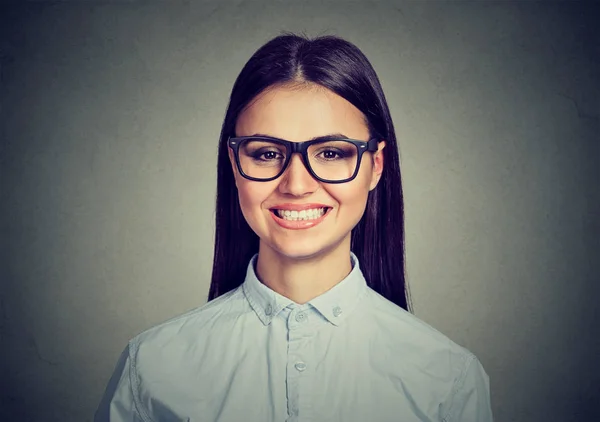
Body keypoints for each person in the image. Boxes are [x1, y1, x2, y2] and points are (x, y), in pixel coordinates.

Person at [95, 32, 493, 422]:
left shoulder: (448, 380)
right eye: (267, 153)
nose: (297, 185)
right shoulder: (150, 369)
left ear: (375, 166)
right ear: (235, 166)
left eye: (331, 152)